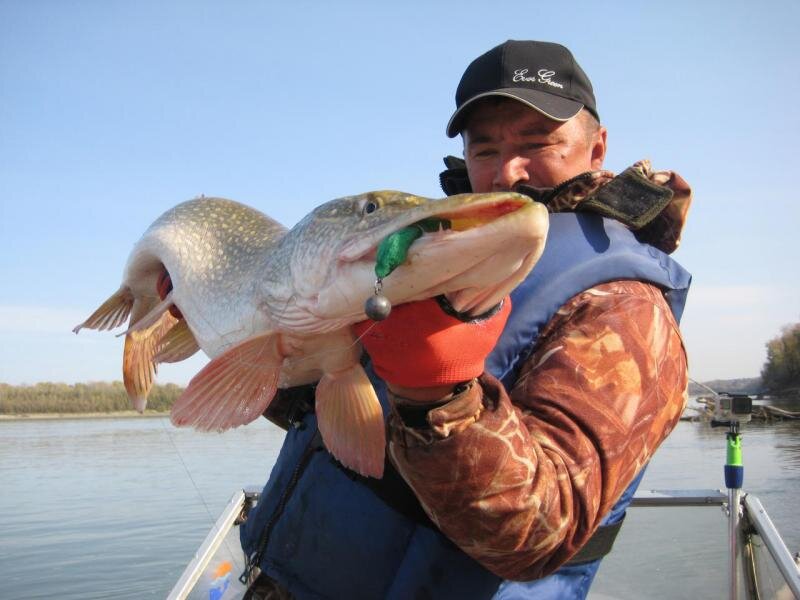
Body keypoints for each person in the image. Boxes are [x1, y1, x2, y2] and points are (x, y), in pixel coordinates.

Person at [240, 39, 693, 599]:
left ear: (596, 149)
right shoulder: (428, 258)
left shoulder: (623, 306)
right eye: (484, 150)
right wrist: (268, 360)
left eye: (538, 142)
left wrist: (437, 394)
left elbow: (540, 531)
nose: (508, 172)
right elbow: (340, 429)